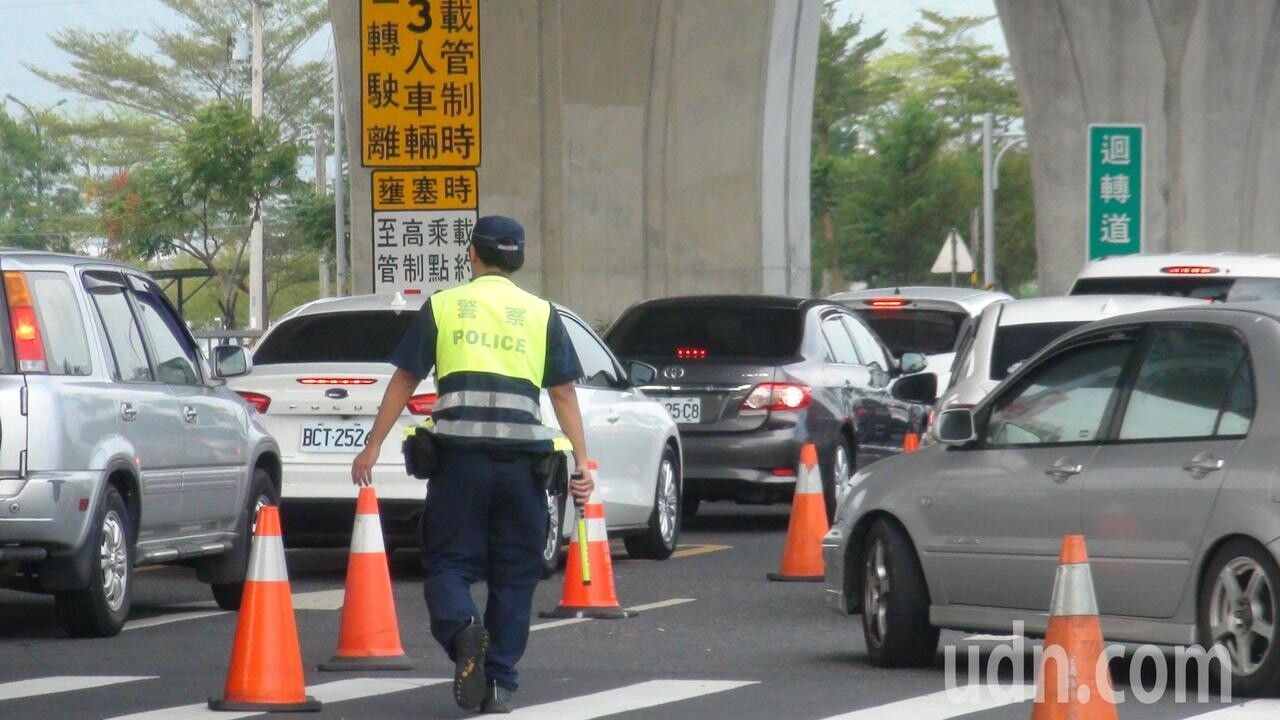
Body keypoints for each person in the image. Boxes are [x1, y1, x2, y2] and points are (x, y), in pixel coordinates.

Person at [350, 215, 593, 714]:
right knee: (515, 574)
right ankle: (500, 682)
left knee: (447, 565)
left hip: (458, 465)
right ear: (518, 259)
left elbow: (404, 379)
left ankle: (463, 631)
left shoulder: (443, 306)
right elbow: (563, 392)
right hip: (523, 469)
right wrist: (583, 462)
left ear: (472, 255)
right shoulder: (542, 312)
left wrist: (372, 444)